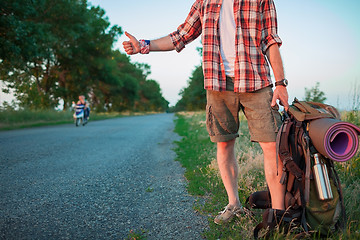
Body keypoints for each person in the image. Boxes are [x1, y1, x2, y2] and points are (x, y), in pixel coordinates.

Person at [123, 0, 289, 225]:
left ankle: (279, 216)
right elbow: (181, 35)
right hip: (218, 83)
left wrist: (280, 83)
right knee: (224, 143)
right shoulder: (204, 2)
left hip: (256, 81)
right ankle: (234, 205)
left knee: (272, 146)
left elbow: (271, 40)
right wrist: (144, 45)